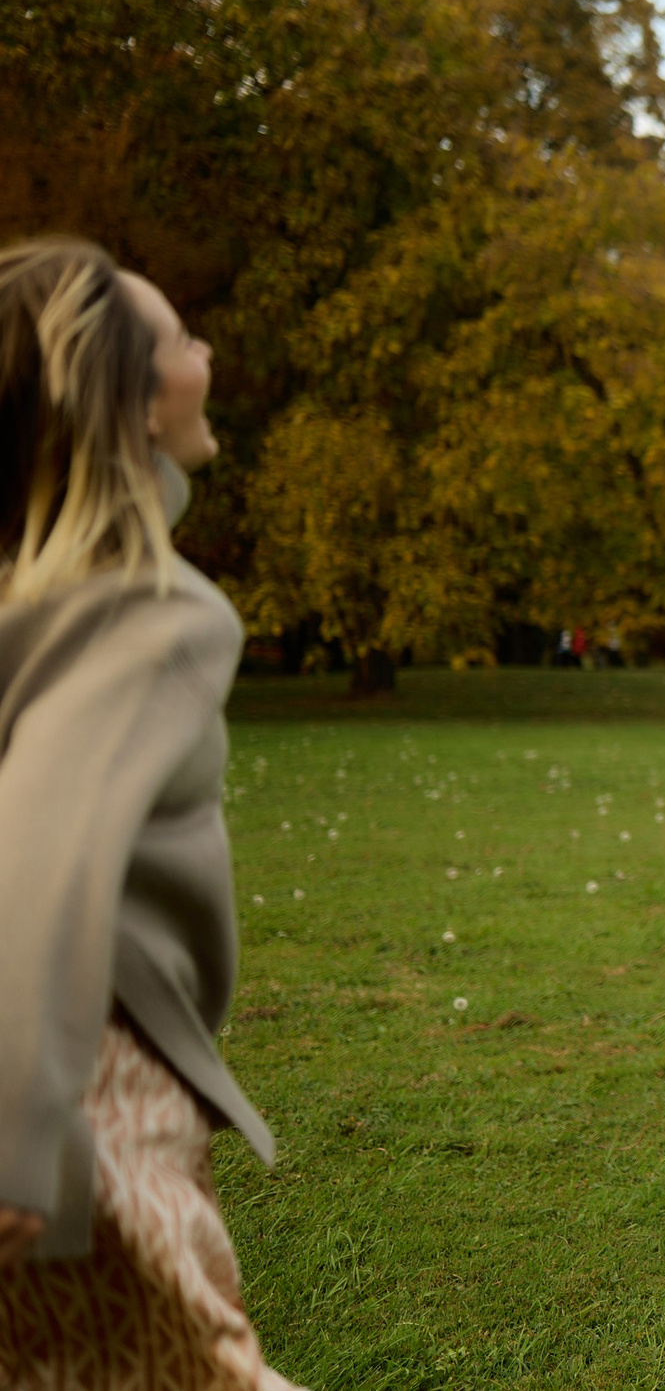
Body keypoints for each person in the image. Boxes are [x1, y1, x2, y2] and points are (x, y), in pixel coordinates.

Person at [0, 236, 300, 1389]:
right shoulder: (151, 614)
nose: (206, 351)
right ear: (130, 402)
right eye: (180, 337)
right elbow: (46, 853)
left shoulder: (33, 601)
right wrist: (22, 1141)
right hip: (83, 1091)